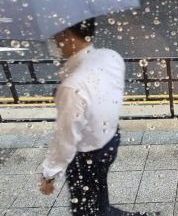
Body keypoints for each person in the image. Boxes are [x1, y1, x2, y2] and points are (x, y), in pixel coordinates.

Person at [38, 19, 147, 216]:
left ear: (67, 36)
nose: (53, 40)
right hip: (110, 139)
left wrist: (49, 175)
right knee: (97, 200)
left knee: (86, 211)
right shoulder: (110, 56)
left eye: (56, 35)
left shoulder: (72, 87)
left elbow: (65, 138)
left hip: (87, 156)